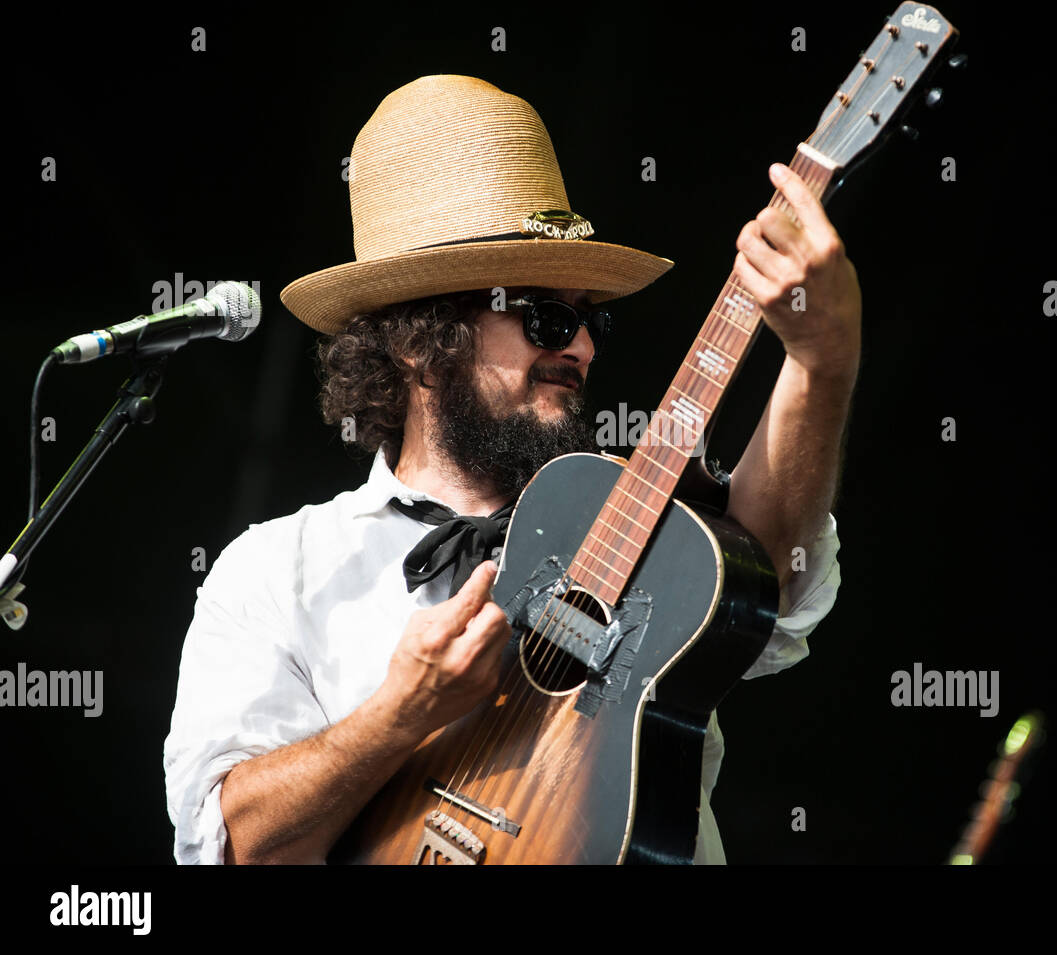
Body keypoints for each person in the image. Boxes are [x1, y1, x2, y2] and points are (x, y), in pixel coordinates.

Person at [163, 74, 856, 864]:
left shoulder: (640, 526)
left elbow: (776, 584)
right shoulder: (276, 569)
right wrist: (398, 713)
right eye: (545, 317)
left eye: (589, 319)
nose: (585, 347)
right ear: (421, 340)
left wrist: (819, 360)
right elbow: (234, 844)